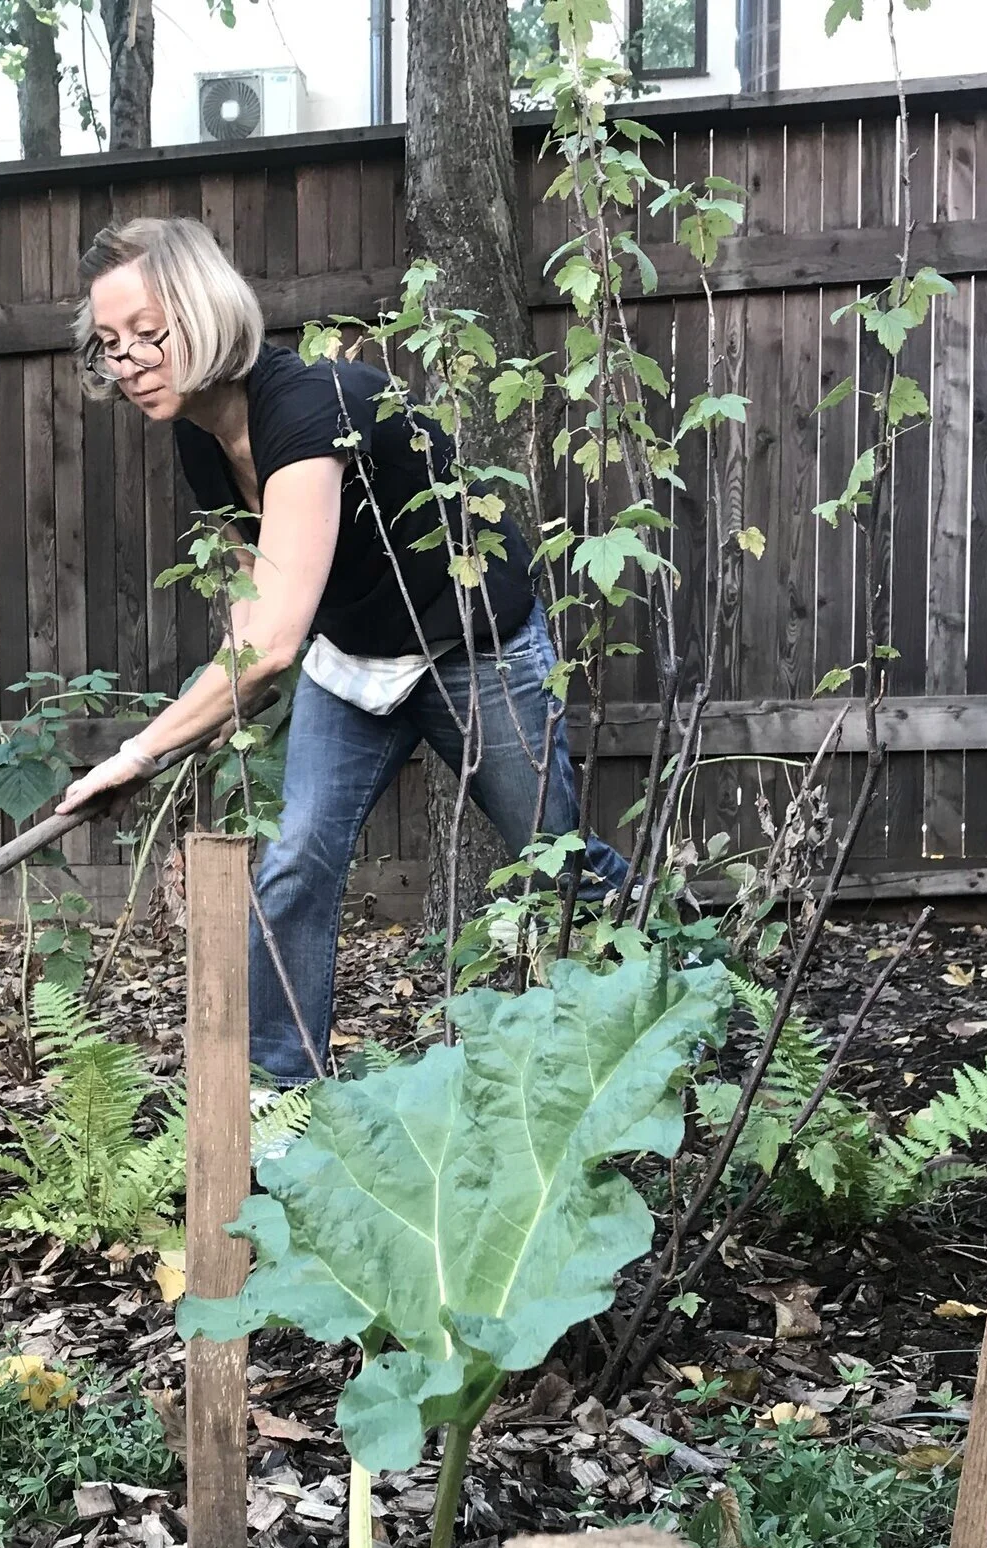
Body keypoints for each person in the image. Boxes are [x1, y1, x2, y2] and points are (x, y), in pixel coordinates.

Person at [53, 217, 627, 1085]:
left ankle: (678, 990)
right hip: (352, 656)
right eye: (108, 345)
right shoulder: (199, 436)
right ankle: (282, 1103)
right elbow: (256, 602)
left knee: (557, 860)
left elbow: (273, 641)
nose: (128, 362)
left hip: (471, 648)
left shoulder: (309, 408)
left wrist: (140, 753)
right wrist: (214, 717)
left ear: (205, 314)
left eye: (146, 334)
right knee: (296, 860)